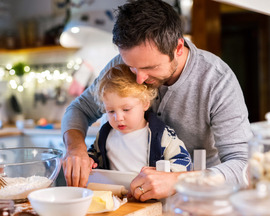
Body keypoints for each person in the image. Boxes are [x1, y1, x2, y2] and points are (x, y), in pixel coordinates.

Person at [62, 0, 253, 201]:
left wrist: (179, 180)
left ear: (178, 47)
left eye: (150, 68)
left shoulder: (217, 80)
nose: (139, 78)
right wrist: (75, 149)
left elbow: (243, 165)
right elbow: (79, 108)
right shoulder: (121, 65)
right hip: (132, 200)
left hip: (198, 201)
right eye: (132, 67)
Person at [87, 64, 191, 177]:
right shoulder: (104, 133)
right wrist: (90, 161)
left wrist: (166, 175)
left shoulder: (162, 135)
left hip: (150, 192)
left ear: (145, 104)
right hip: (114, 193)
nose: (118, 118)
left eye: (126, 109)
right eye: (111, 111)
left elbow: (184, 162)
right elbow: (93, 155)